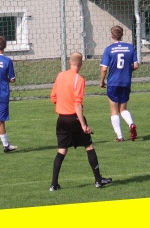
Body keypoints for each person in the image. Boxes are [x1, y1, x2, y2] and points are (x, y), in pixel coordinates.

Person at [50, 52, 112, 190]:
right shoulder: (79, 79)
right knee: (89, 146)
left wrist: (62, 106)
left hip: (61, 119)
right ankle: (98, 180)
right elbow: (77, 103)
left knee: (62, 150)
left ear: (69, 62)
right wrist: (83, 125)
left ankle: (54, 184)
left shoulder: (60, 75)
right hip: (74, 118)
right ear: (81, 64)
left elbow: (53, 97)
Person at [99, 25, 139, 141]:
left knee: (114, 110)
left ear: (112, 36)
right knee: (123, 109)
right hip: (126, 82)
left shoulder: (109, 49)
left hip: (113, 82)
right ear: (122, 34)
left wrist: (102, 82)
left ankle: (119, 137)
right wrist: (127, 70)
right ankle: (131, 124)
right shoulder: (130, 48)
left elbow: (104, 69)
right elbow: (136, 65)